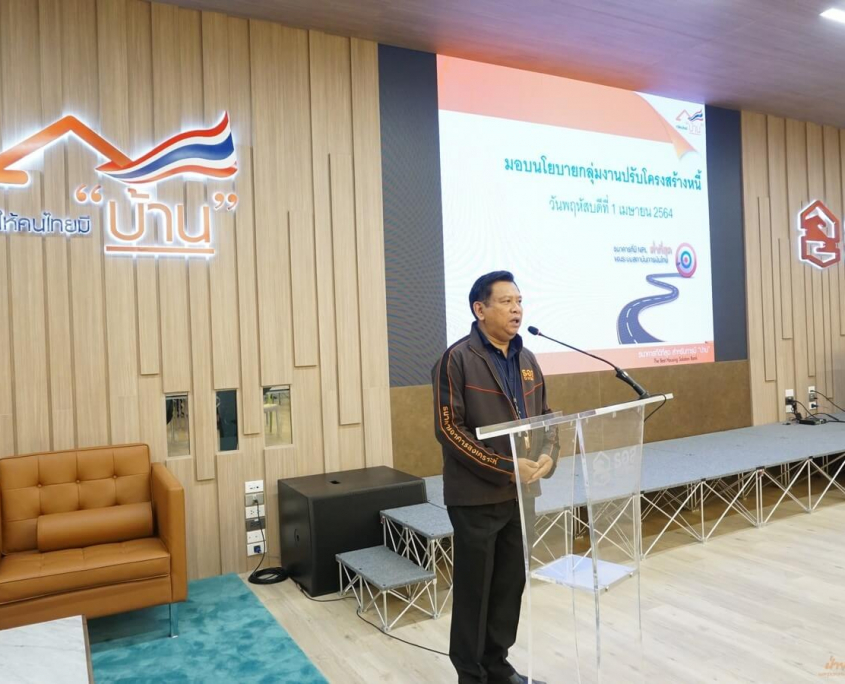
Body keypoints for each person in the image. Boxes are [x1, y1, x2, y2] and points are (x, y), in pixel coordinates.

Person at [432, 270, 558, 684]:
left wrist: (549, 454)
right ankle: (471, 675)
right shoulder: (457, 359)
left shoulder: (527, 359)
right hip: (476, 498)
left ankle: (497, 666)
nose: (516, 309)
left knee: (508, 588)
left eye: (519, 301)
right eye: (506, 301)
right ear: (480, 309)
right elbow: (450, 429)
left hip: (523, 495)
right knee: (476, 592)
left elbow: (546, 417)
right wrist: (505, 467)